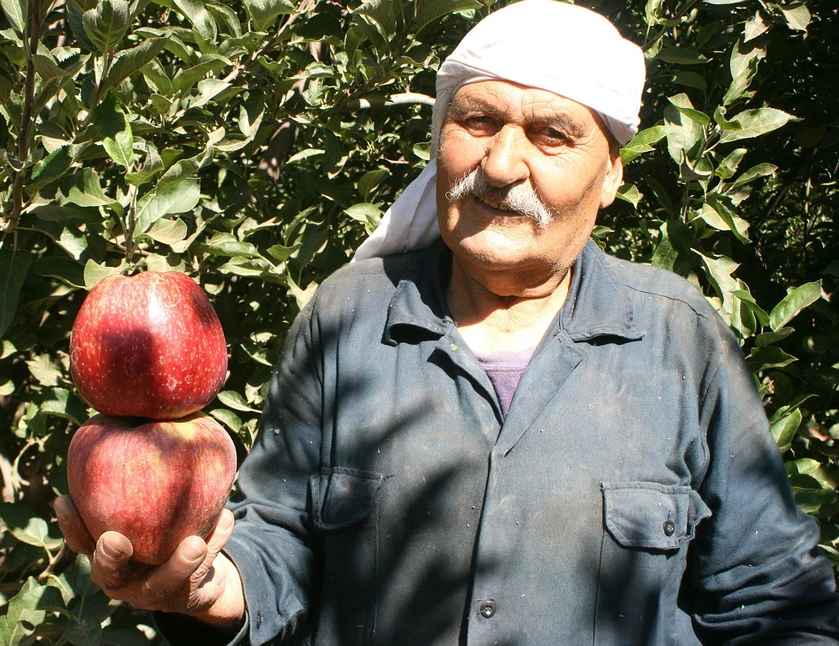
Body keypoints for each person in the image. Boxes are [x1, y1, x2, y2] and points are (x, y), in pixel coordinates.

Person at [55, 0, 839, 643]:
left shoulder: (678, 338)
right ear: (440, 141)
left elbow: (772, 599)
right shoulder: (347, 316)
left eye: (550, 135)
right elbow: (276, 539)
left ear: (609, 177)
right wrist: (207, 587)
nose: (500, 167)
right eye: (477, 123)